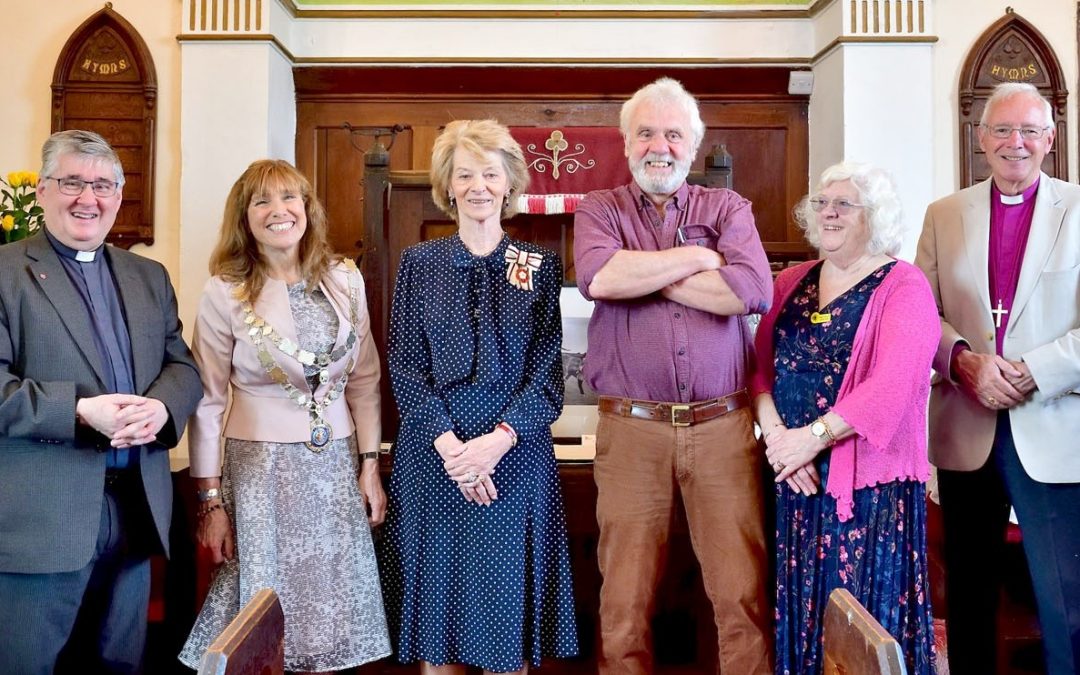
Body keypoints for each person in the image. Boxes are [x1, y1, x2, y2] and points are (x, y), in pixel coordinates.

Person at [573, 77, 773, 675]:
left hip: (723, 429)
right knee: (624, 600)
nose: (659, 147)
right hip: (632, 431)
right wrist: (703, 259)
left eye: (673, 135)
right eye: (646, 134)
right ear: (626, 143)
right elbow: (600, 279)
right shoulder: (599, 208)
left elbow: (752, 291)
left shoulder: (728, 208)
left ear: (693, 145)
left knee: (740, 594)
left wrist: (644, 274)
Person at [379, 119, 578, 675]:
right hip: (434, 459)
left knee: (504, 633)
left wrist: (494, 444)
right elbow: (406, 367)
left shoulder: (539, 266)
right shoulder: (419, 264)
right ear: (448, 185)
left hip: (514, 460)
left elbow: (547, 379)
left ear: (509, 183)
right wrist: (453, 452)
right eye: (464, 174)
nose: (478, 187)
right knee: (437, 630)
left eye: (490, 174)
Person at [0, 129, 203, 673]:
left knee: (120, 666)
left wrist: (162, 408)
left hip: (135, 513)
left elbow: (182, 367)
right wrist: (76, 411)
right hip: (41, 522)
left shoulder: (147, 276)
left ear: (119, 194)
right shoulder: (5, 271)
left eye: (102, 185)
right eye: (72, 182)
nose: (87, 198)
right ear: (42, 190)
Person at [178, 159, 390, 673]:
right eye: (262, 201)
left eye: (290, 197)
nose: (279, 210)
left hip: (335, 467)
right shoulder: (225, 291)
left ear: (307, 208)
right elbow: (207, 400)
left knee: (331, 598)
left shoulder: (345, 279)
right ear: (244, 218)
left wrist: (369, 466)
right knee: (261, 604)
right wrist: (210, 501)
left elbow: (364, 380)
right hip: (260, 470)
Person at [915, 82, 1080, 675]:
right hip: (967, 425)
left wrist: (1034, 371)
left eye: (1030, 131)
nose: (1016, 143)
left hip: (1054, 427)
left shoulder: (1079, 209)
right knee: (969, 597)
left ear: (1050, 139)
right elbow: (920, 313)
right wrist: (963, 360)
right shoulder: (944, 214)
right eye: (1003, 130)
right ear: (981, 138)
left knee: (1066, 600)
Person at [751, 162, 939, 674]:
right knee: (803, 612)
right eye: (821, 203)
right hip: (795, 479)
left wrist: (809, 440)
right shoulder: (790, 281)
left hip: (868, 490)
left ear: (874, 216)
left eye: (844, 204)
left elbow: (893, 386)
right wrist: (779, 442)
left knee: (860, 621)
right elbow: (757, 369)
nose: (828, 213)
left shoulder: (904, 285)